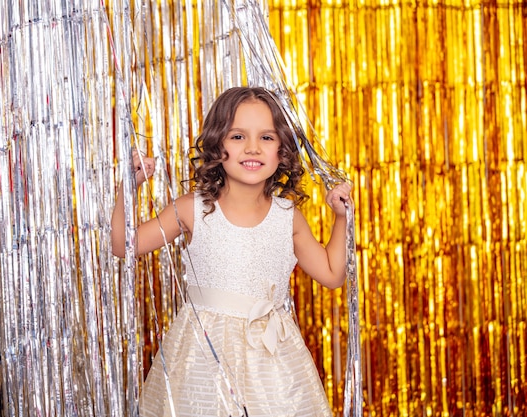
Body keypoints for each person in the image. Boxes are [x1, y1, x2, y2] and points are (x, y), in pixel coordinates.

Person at [111, 86, 353, 417]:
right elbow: (124, 245)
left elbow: (332, 273)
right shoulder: (192, 209)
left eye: (266, 138)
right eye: (238, 136)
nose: (252, 147)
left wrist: (341, 218)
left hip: (271, 361)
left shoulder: (287, 217)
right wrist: (129, 185)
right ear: (217, 145)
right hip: (202, 358)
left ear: (282, 149)